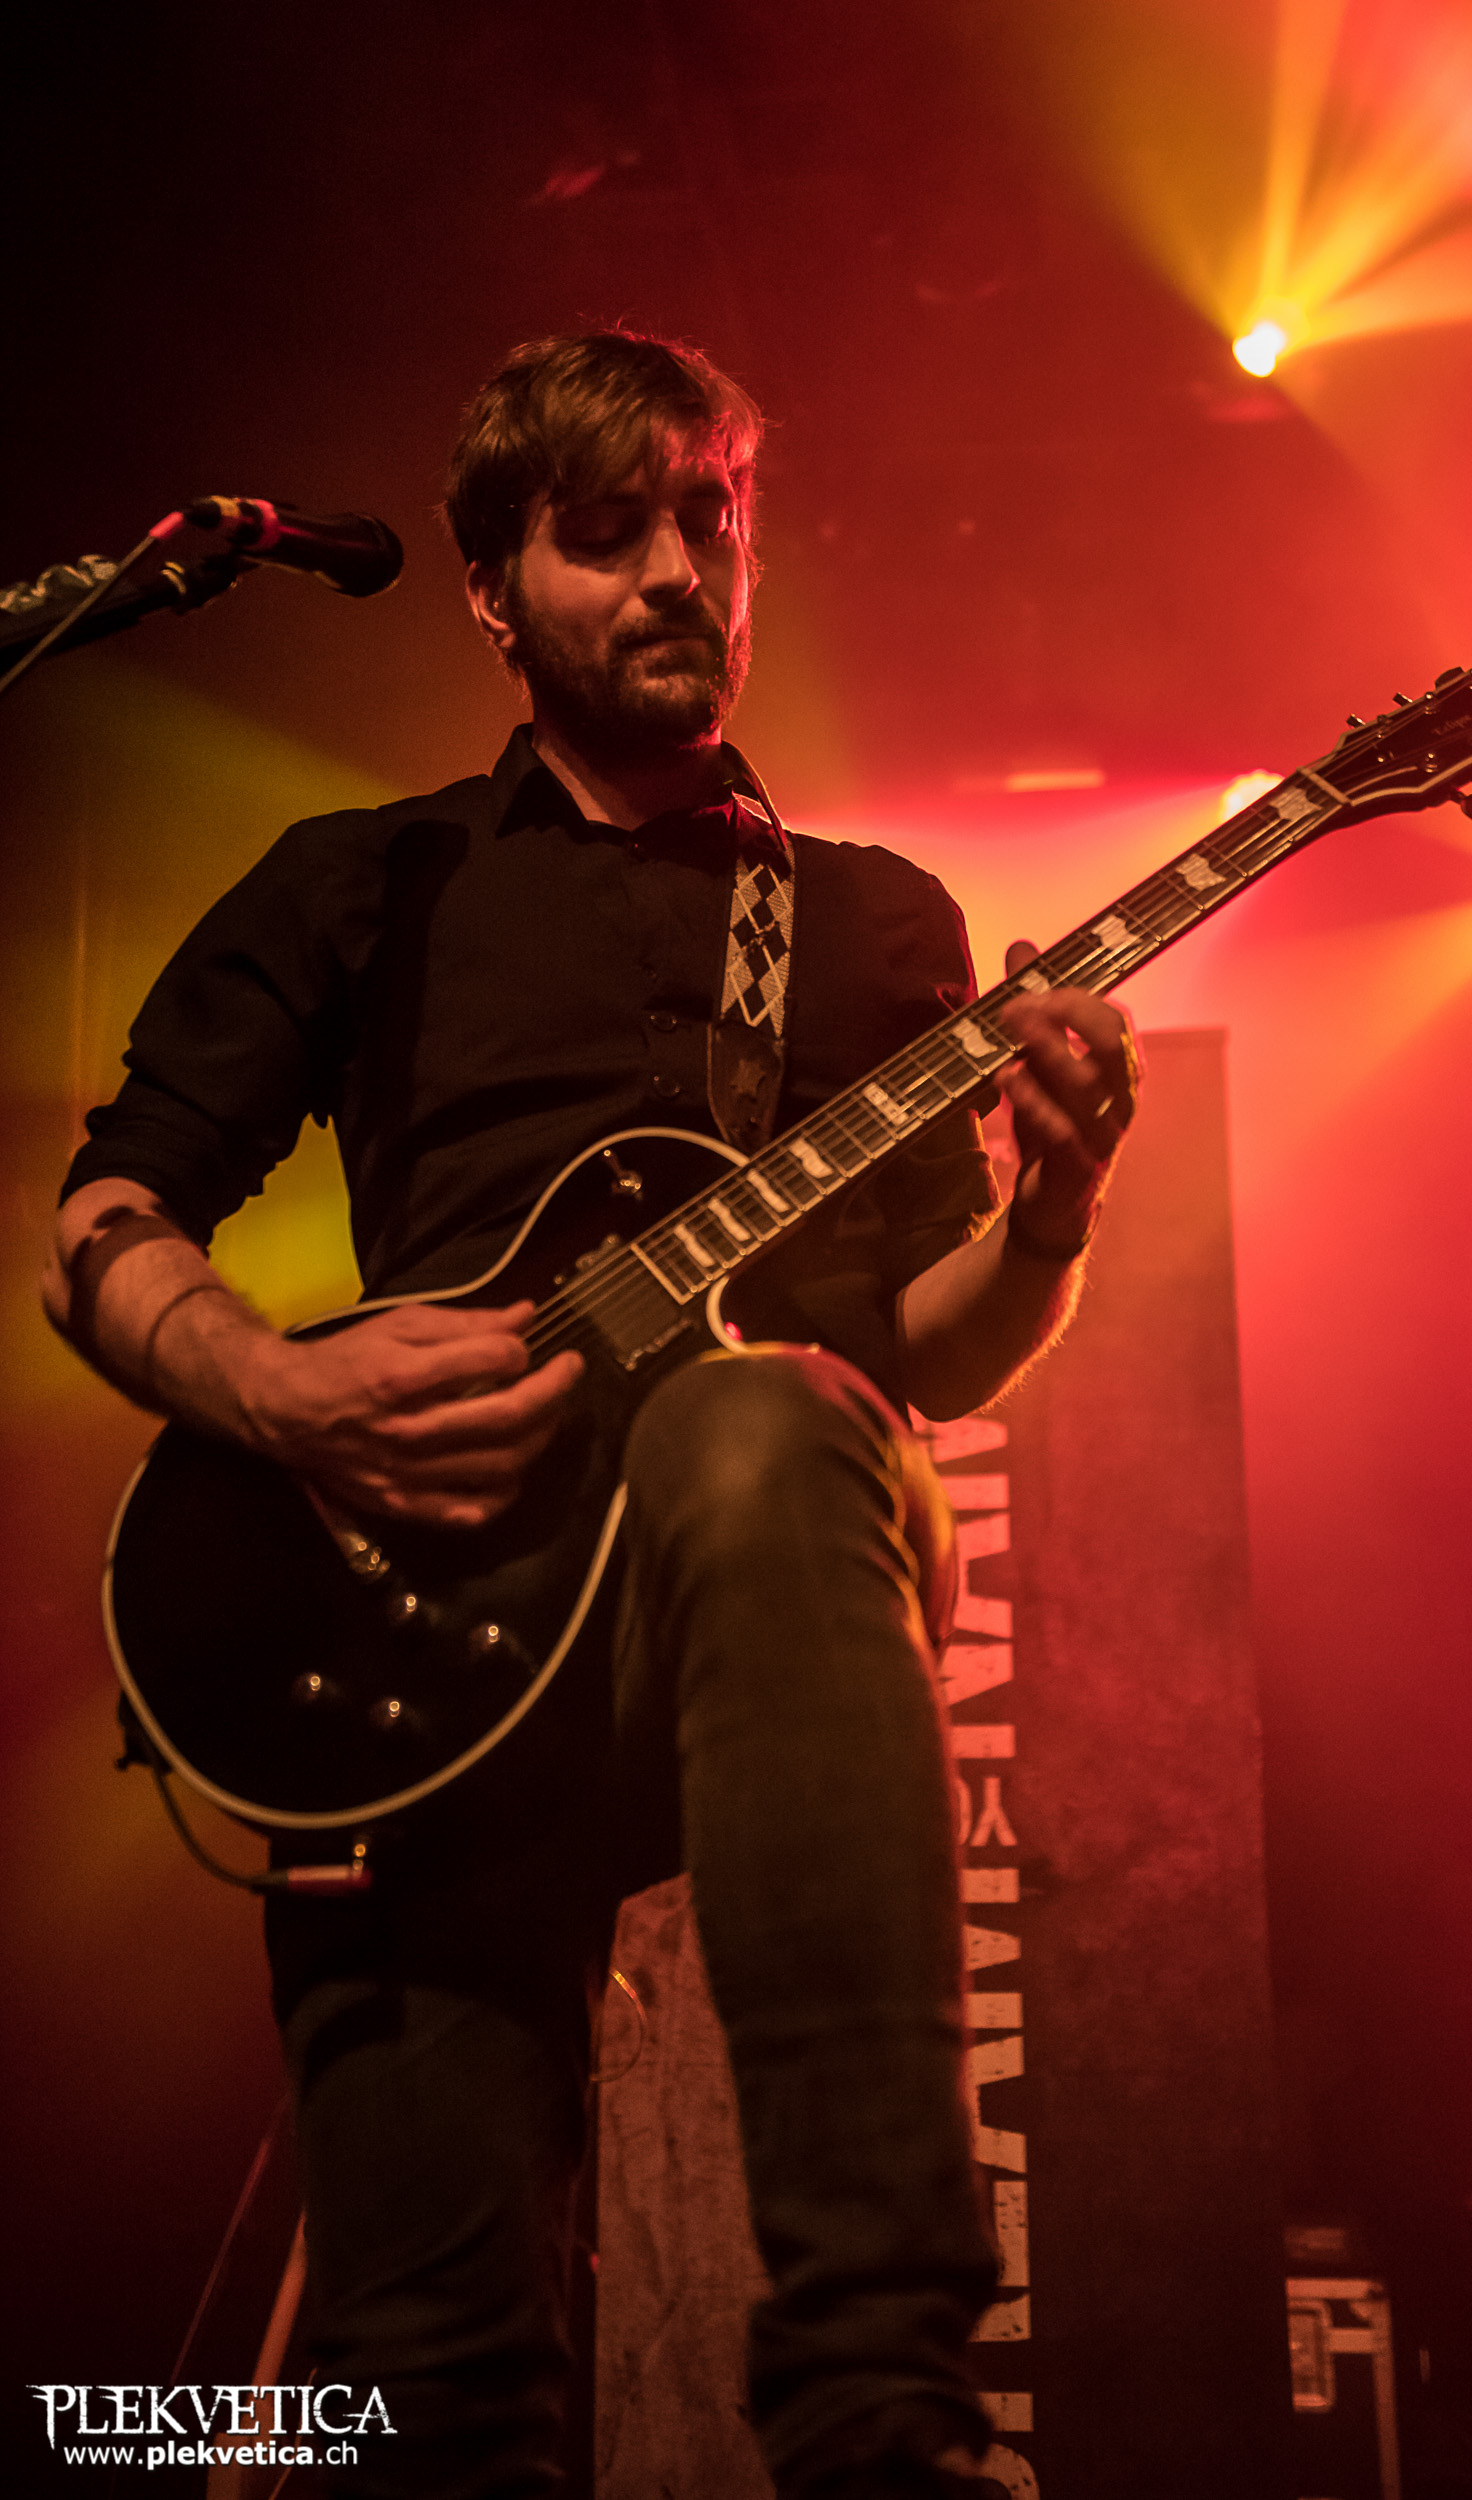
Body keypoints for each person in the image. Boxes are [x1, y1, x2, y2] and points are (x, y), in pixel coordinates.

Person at [43, 331, 1140, 2500]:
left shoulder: (870, 920)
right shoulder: (367, 880)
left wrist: (1055, 1206)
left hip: (733, 1597)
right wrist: (276, 1383)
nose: (674, 572)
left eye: (710, 520)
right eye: (608, 529)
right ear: (489, 586)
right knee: (418, 2396)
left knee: (764, 1423)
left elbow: (921, 1353)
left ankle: (879, 2407)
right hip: (409, 1641)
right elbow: (108, 1214)